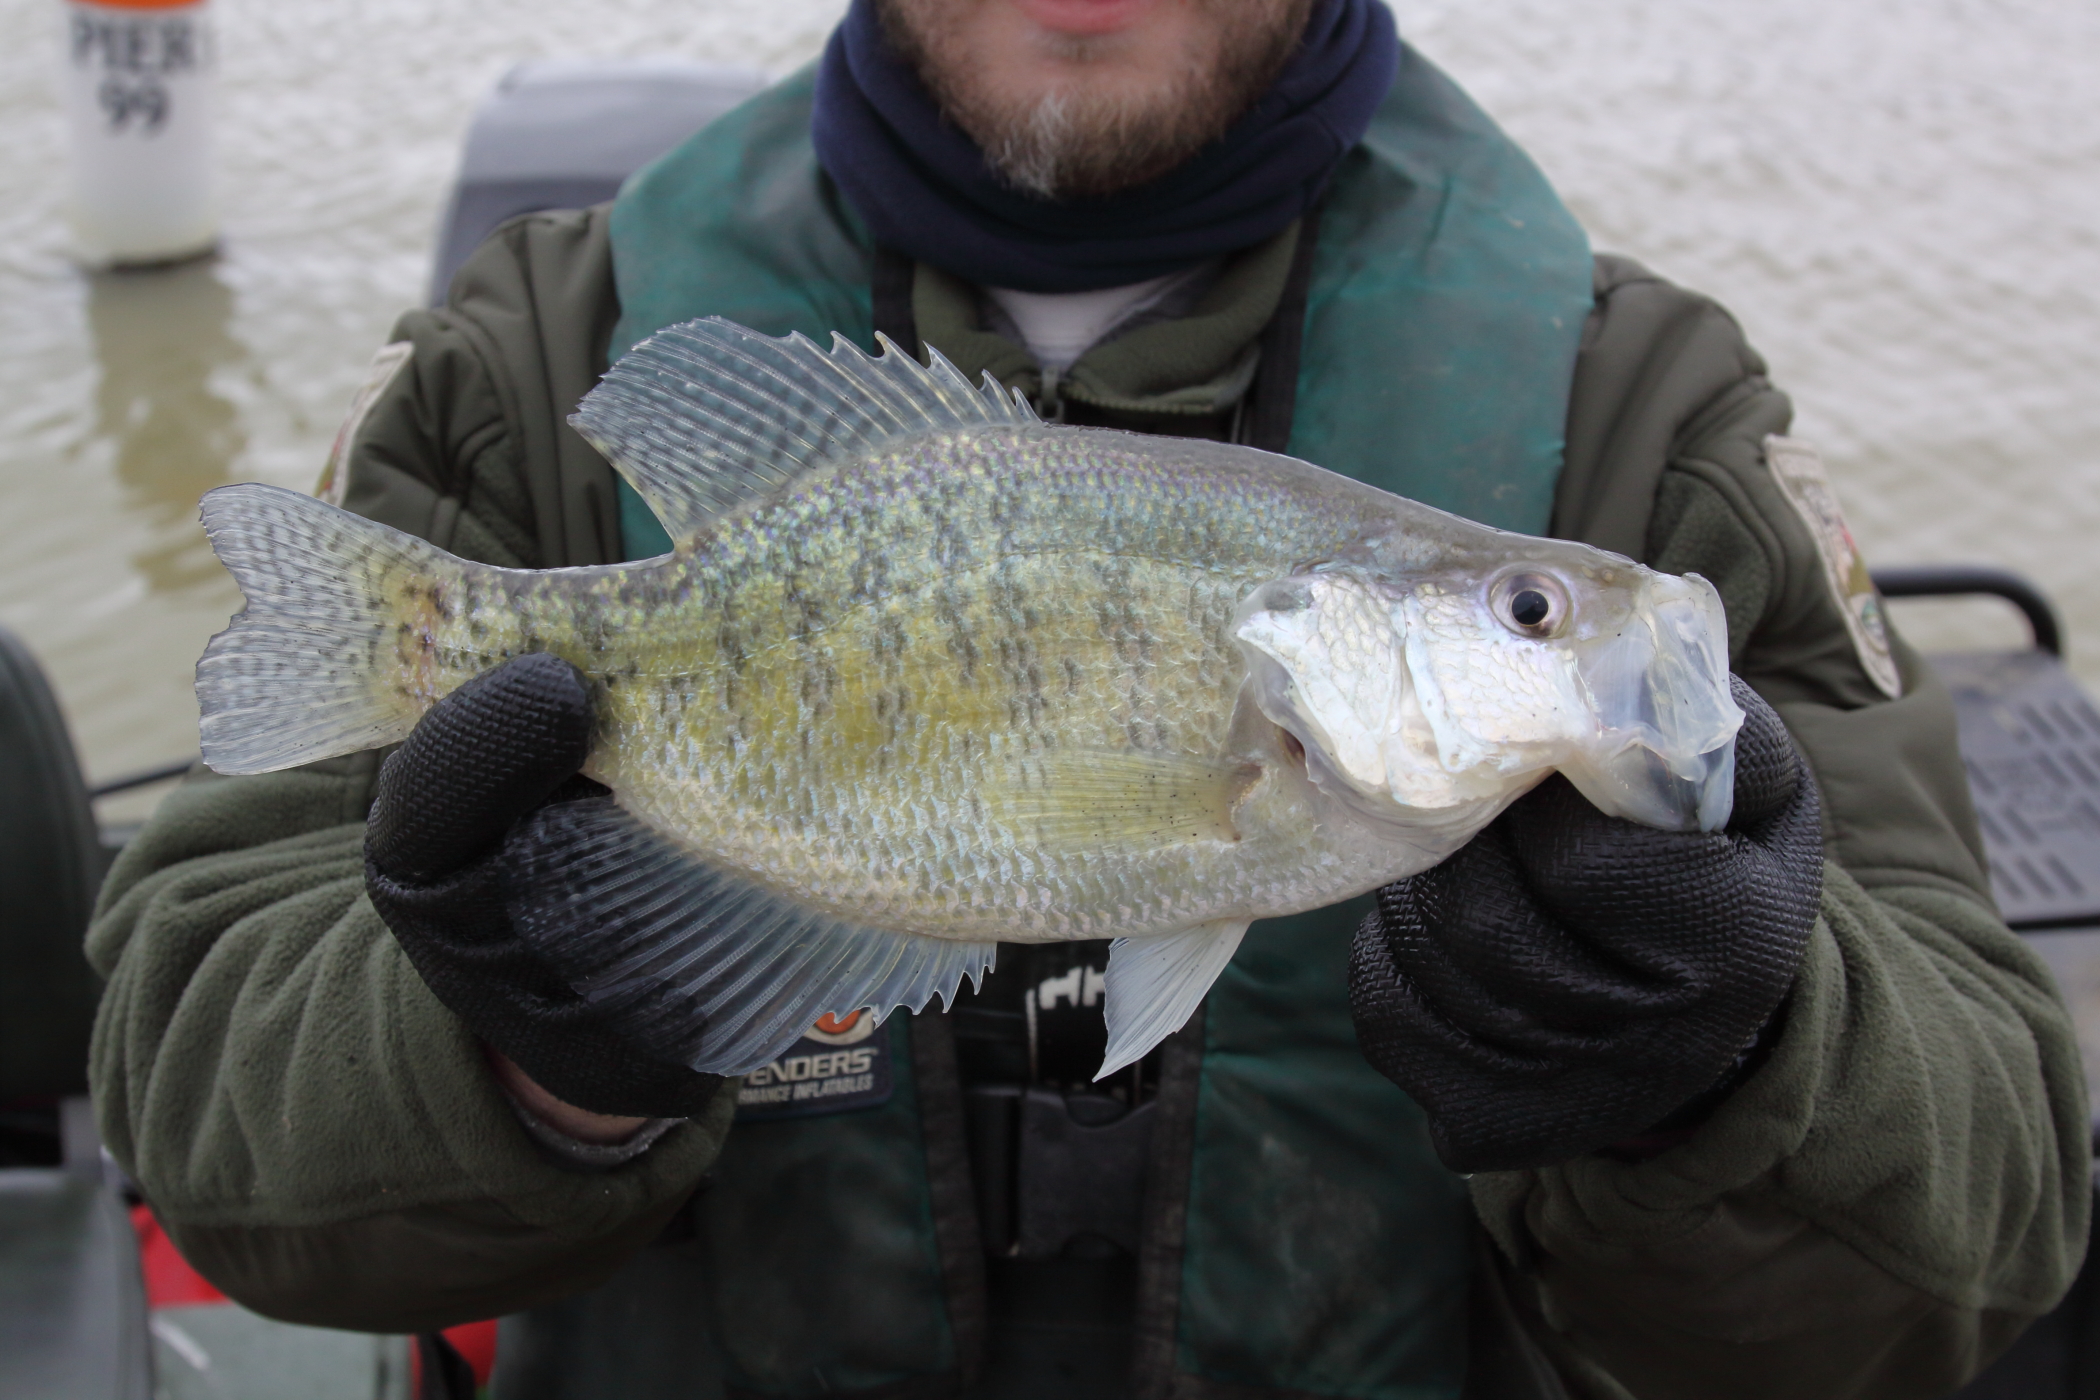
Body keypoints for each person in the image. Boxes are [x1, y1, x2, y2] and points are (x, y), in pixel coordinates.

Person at [88, 1, 2088, 1396]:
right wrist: (528, 1056)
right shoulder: (517, 361)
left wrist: (1738, 1067)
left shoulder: (1652, 418)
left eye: (1529, 612)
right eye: (1532, 611)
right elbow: (193, 1086)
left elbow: (1979, 1239)